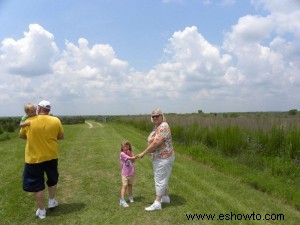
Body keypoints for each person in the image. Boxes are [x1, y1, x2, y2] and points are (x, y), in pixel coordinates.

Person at [19, 100, 64, 219]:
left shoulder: (28, 122)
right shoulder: (56, 120)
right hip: (51, 156)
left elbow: (21, 136)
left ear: (39, 108)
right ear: (49, 109)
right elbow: (61, 136)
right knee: (53, 179)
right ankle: (52, 201)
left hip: (33, 158)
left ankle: (42, 210)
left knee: (36, 184)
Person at [136, 108, 175, 211]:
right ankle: (165, 197)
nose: (155, 117)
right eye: (153, 116)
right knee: (163, 178)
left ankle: (157, 203)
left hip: (164, 157)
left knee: (159, 179)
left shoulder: (163, 126)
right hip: (159, 157)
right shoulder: (157, 126)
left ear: (162, 116)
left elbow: (156, 143)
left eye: (157, 115)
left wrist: (143, 153)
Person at [119, 140, 136, 207]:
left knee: (130, 185)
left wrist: (131, 154)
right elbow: (129, 158)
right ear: (122, 148)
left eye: (127, 146)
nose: (125, 148)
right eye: (124, 147)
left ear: (129, 147)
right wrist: (136, 156)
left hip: (131, 172)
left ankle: (130, 196)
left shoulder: (130, 152)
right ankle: (122, 200)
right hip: (125, 173)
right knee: (125, 185)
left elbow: (133, 161)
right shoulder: (122, 154)